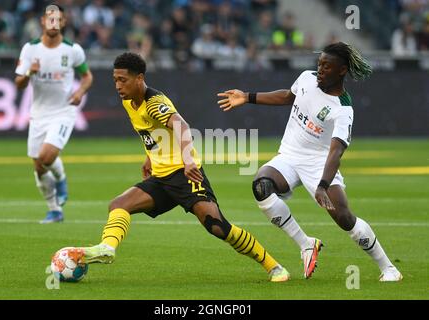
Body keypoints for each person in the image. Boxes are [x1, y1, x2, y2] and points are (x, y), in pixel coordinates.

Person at [73, 52, 290, 282]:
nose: (117, 85)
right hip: (161, 178)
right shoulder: (129, 100)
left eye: (122, 80)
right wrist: (150, 157)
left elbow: (182, 126)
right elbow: (151, 132)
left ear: (139, 79)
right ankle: (107, 248)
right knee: (118, 205)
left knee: (217, 226)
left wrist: (188, 162)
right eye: (115, 79)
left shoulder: (155, 102)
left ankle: (274, 266)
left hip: (186, 176)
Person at [217, 42, 403, 282]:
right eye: (319, 64)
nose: (321, 69)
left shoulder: (343, 108)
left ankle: (389, 268)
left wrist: (323, 185)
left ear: (342, 70)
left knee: (345, 218)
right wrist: (247, 97)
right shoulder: (306, 78)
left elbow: (336, 151)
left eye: (327, 66)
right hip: (289, 156)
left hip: (319, 163)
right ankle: (306, 244)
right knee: (261, 186)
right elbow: (287, 96)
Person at [15, 4, 93, 224]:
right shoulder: (30, 49)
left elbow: (87, 76)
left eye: (57, 19)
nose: (53, 23)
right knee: (39, 168)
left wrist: (79, 92)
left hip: (63, 111)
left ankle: (61, 177)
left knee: (47, 156)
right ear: (42, 21)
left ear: (63, 22)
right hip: (38, 114)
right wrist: (30, 72)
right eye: (49, 19)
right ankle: (54, 210)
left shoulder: (72, 50)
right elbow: (19, 84)